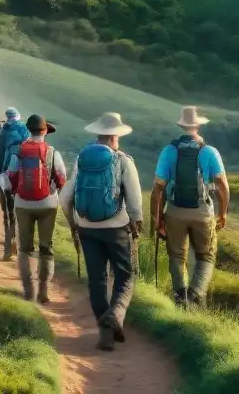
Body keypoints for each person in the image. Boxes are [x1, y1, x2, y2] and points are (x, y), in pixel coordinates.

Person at [60, 112, 142, 351]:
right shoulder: (123, 160)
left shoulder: (81, 159)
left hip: (86, 227)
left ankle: (105, 335)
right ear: (115, 136)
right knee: (125, 276)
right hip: (116, 227)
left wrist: (74, 223)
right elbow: (135, 201)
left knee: (97, 279)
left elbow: (65, 197)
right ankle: (116, 315)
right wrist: (137, 223)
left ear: (97, 133)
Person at [150, 106, 229, 308]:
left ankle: (180, 297)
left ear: (182, 126)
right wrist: (222, 213)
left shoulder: (169, 151)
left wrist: (157, 220)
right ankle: (195, 294)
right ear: (199, 125)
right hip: (202, 212)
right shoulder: (210, 152)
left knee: (177, 256)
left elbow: (157, 190)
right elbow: (222, 186)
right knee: (206, 256)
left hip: (175, 211)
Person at [6, 114, 66, 303]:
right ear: (45, 131)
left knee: (24, 248)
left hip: (23, 203)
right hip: (47, 203)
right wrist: (53, 188)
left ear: (28, 130)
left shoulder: (19, 150)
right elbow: (62, 177)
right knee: (46, 247)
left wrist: (17, 190)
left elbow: (11, 175)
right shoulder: (52, 152)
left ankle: (28, 289)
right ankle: (43, 289)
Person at [0, 107, 30, 260]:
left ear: (7, 117)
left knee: (8, 214)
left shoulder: (2, 132)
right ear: (18, 117)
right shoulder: (26, 132)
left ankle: (8, 249)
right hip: (24, 180)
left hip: (4, 179)